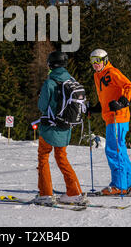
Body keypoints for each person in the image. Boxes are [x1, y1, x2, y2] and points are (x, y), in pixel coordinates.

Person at [36, 51, 87, 205]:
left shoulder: (50, 82)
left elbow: (42, 106)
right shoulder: (71, 80)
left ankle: (45, 194)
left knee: (43, 156)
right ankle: (74, 192)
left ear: (51, 64)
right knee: (62, 158)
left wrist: (42, 96)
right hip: (66, 127)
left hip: (50, 126)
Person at [88, 49, 131, 195]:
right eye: (92, 61)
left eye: (98, 60)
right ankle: (129, 184)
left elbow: (129, 86)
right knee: (120, 150)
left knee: (113, 150)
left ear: (105, 60)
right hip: (110, 116)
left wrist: (123, 101)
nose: (95, 64)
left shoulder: (112, 72)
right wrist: (97, 108)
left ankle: (119, 185)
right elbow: (105, 95)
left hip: (118, 116)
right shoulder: (98, 76)